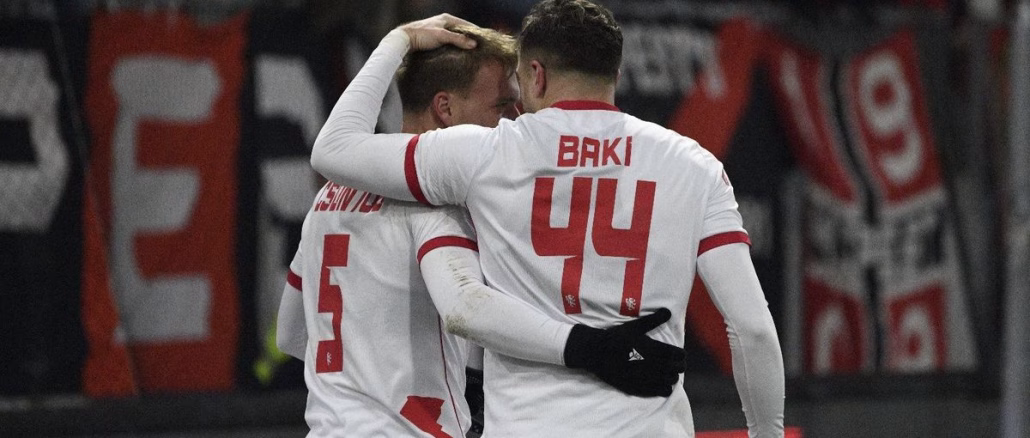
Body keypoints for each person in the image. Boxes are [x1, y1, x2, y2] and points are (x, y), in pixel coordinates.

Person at [307, 1, 786, 436]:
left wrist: (400, 39)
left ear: (535, 75)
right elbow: (753, 330)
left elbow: (334, 149)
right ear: (615, 73)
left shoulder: (485, 153)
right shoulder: (694, 165)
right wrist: (767, 433)